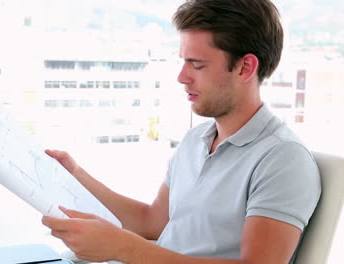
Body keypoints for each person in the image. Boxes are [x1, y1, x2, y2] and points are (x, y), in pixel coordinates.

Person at [42, 0, 321, 263]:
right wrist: (76, 175)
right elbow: (152, 223)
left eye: (196, 65)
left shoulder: (283, 159)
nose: (181, 77)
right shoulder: (196, 139)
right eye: (183, 61)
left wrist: (124, 248)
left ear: (245, 67)